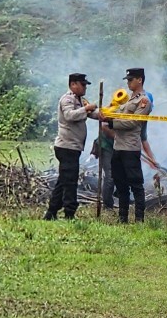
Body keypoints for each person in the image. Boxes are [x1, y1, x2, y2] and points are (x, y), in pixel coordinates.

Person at [44, 73, 99, 220]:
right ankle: (69, 213)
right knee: (70, 182)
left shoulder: (80, 100)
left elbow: (94, 114)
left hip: (73, 147)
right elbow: (70, 115)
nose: (85, 87)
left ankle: (51, 212)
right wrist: (87, 109)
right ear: (73, 84)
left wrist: (106, 113)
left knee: (64, 180)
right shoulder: (67, 99)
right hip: (66, 147)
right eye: (83, 84)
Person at [103, 68, 152, 223]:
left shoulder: (143, 101)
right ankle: (122, 217)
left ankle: (139, 219)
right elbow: (112, 112)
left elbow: (132, 122)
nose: (128, 82)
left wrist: (112, 122)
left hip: (130, 148)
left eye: (131, 80)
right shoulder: (127, 100)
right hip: (118, 147)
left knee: (136, 184)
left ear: (140, 80)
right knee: (121, 184)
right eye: (127, 80)